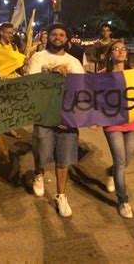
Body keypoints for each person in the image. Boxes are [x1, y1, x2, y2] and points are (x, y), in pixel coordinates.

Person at [27, 23, 85, 217]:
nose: (57, 37)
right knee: (41, 151)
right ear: (48, 37)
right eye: (54, 34)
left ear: (66, 38)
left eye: (61, 34)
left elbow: (81, 91)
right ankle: (39, 173)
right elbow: (31, 85)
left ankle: (61, 196)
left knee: (64, 158)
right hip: (44, 115)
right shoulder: (38, 58)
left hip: (67, 118)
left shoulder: (74, 62)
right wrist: (51, 75)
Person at [100, 39, 134, 219]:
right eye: (116, 49)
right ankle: (123, 201)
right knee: (121, 162)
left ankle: (110, 172)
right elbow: (93, 99)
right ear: (110, 55)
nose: (120, 52)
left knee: (126, 161)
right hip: (112, 123)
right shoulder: (102, 76)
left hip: (131, 122)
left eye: (123, 49)